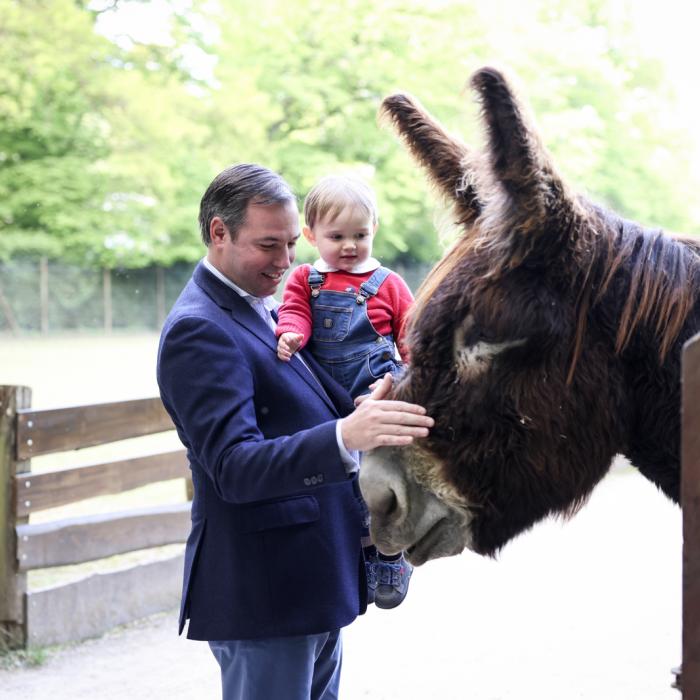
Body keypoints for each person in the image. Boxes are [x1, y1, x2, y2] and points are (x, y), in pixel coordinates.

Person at [156, 163, 433, 700]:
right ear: (219, 232)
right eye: (268, 246)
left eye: (289, 244)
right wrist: (345, 437)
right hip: (267, 593)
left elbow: (307, 405)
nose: (286, 263)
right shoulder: (199, 328)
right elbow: (235, 468)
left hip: (312, 582)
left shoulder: (261, 306)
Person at [275, 174, 415, 610]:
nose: (349, 245)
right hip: (324, 396)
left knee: (382, 481)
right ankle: (361, 552)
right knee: (340, 483)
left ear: (374, 230)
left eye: (360, 234)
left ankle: (391, 553)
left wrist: (400, 381)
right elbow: (294, 312)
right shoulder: (305, 279)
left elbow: (411, 336)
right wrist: (291, 334)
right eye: (337, 236)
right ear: (311, 234)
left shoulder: (387, 283)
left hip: (374, 394)